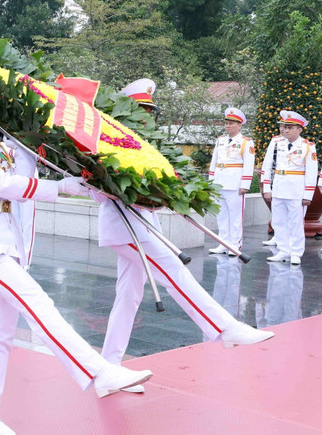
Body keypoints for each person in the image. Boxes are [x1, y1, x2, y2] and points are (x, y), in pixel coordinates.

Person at [0, 65, 153, 435]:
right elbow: (6, 185)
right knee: (40, 304)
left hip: (5, 241)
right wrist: (65, 188)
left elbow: (25, 170)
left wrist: (45, 147)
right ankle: (98, 372)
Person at [97, 82, 274, 390]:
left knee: (128, 296)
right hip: (124, 227)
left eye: (151, 112)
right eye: (141, 112)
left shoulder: (143, 145)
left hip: (143, 225)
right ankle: (224, 327)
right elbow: (100, 192)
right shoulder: (110, 144)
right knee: (174, 269)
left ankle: (109, 370)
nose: (147, 118)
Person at [262, 110, 318, 265]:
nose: (286, 130)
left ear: (299, 129)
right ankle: (283, 249)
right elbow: (267, 166)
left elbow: (312, 172)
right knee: (278, 221)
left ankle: (295, 252)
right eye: (285, 127)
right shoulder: (276, 144)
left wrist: (308, 194)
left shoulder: (307, 146)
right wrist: (267, 187)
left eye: (290, 127)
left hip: (296, 190)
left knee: (295, 222)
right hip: (279, 187)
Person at [207, 108, 256, 254]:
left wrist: (245, 185)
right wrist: (211, 182)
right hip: (219, 182)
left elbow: (248, 164)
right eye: (226, 123)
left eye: (231, 123)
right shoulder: (220, 140)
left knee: (235, 216)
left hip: (235, 184)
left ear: (239, 125)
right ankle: (223, 243)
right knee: (221, 215)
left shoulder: (246, 142)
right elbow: (214, 162)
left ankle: (235, 244)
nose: (228, 126)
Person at [262, 123, 291, 247]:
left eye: (286, 126)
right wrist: (267, 185)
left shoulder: (301, 144)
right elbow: (268, 162)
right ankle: (278, 236)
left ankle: (288, 239)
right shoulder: (276, 141)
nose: (283, 129)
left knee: (290, 213)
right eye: (281, 126)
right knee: (277, 211)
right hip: (276, 179)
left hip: (291, 182)